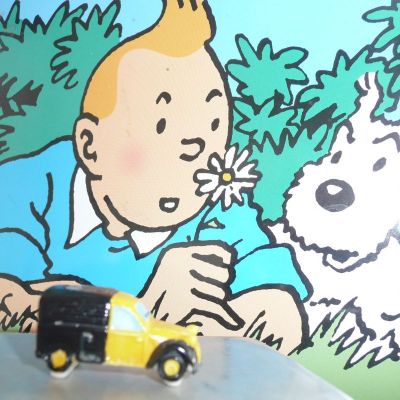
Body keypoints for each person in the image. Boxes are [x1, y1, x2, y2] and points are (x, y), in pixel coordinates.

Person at [0, 0, 308, 353]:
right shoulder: (27, 187)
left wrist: (232, 320)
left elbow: (281, 301)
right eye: (161, 125)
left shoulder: (220, 204)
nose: (194, 152)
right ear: (89, 145)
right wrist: (148, 310)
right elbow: (10, 297)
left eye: (212, 127)